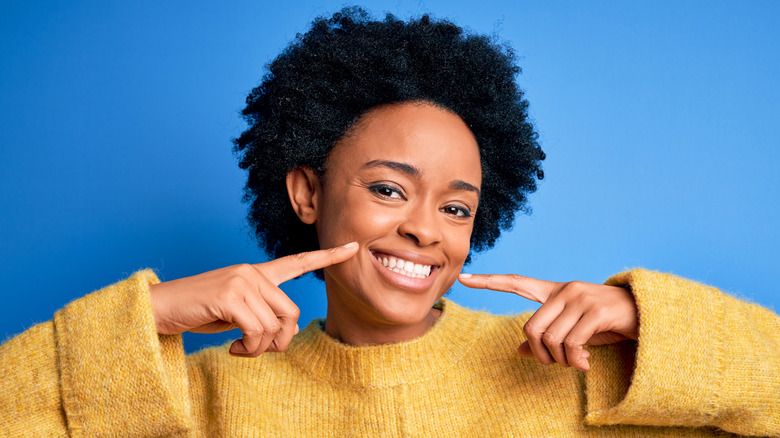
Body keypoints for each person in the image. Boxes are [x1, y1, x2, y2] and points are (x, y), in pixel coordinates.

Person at [1, 8, 778, 437]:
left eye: (455, 207)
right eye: (388, 189)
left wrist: (652, 322)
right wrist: (155, 316)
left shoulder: (572, 375)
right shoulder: (200, 399)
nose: (425, 231)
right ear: (307, 192)